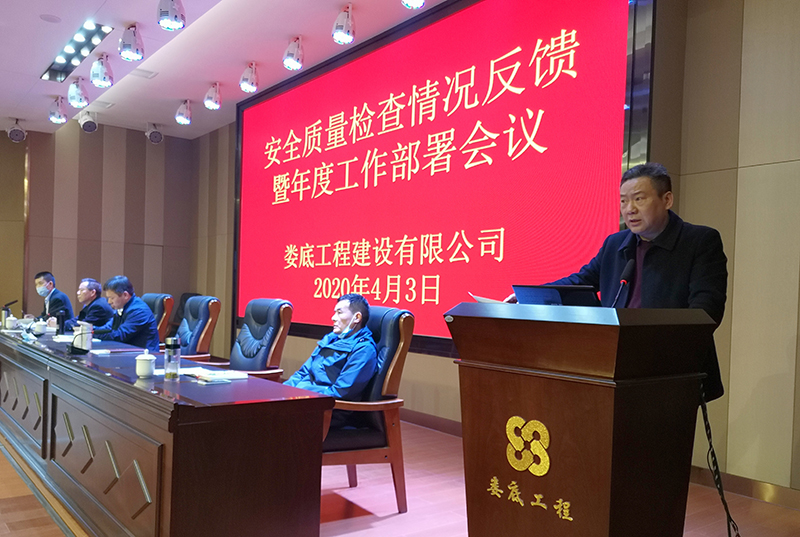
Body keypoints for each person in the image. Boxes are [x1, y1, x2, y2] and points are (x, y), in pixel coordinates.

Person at [505, 162, 727, 401]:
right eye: (623, 201)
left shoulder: (699, 241)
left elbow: (707, 311)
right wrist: (530, 296)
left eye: (639, 199)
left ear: (667, 200)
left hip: (671, 373)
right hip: (612, 369)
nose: (629, 209)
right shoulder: (616, 244)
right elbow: (582, 281)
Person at [284, 293, 378, 427]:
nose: (333, 318)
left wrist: (302, 394)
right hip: (305, 400)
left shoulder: (364, 349)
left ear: (357, 318)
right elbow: (303, 372)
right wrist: (283, 392)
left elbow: (340, 392)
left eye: (339, 313)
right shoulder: (331, 338)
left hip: (328, 410)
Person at [96, 275, 160, 352]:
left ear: (125, 295)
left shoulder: (138, 311)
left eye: (112, 298)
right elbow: (107, 328)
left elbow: (119, 336)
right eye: (108, 298)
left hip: (143, 355)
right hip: (128, 350)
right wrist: (88, 330)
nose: (109, 302)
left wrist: (92, 334)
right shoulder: (122, 307)